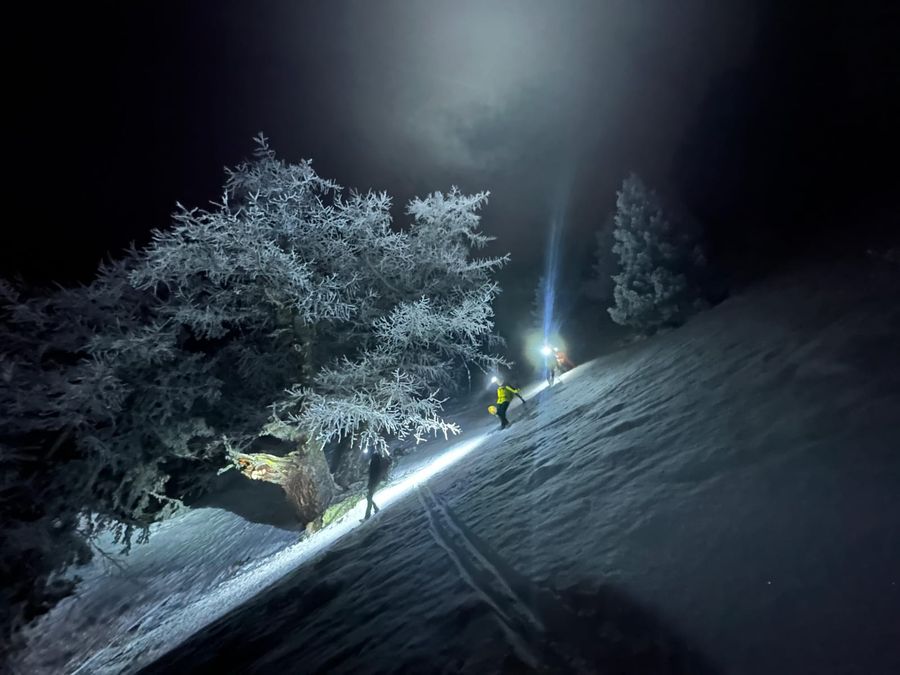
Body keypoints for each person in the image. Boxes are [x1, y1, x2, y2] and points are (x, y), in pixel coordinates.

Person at [364, 449, 392, 520]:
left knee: (369, 497)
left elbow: (374, 472)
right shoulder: (379, 461)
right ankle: (375, 509)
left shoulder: (376, 461)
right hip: (375, 480)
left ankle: (368, 515)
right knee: (369, 497)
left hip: (375, 480)